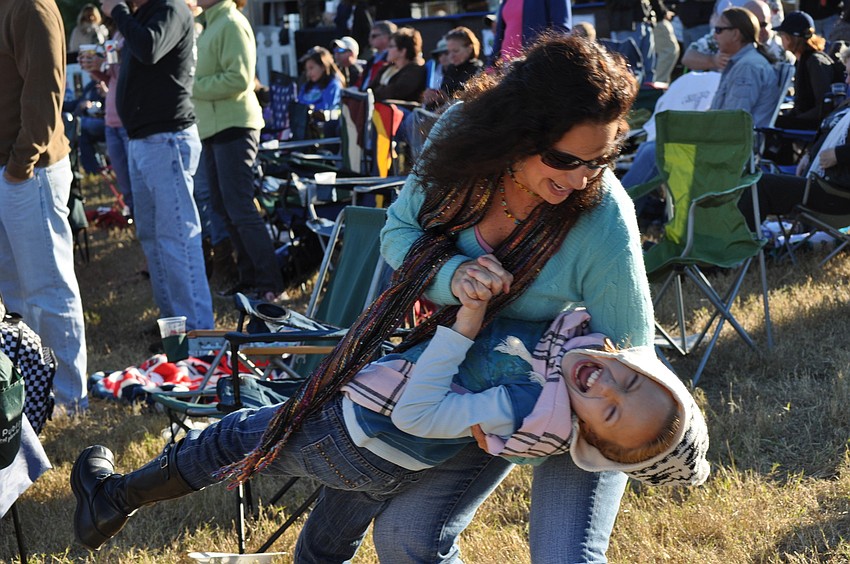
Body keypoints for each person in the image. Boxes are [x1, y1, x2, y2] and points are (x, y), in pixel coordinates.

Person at [70, 292, 709, 553]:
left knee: (232, 436)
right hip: (391, 460)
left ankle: (112, 499)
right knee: (330, 533)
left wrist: (463, 326)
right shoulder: (563, 356)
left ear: (588, 439)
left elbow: (418, 410)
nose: (609, 386)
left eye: (612, 412)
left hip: (362, 433)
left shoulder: (525, 405)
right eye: (631, 378)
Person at [102, 0, 214, 332]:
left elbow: (149, 48)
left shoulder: (170, 8)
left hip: (166, 140)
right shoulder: (147, 13)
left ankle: (198, 335)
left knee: (177, 238)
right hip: (147, 140)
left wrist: (119, 14)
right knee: (154, 237)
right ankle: (175, 329)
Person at [0, 0, 88, 412]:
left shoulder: (30, 6)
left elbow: (47, 90)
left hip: (29, 172)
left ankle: (69, 402)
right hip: (12, 171)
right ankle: (34, 399)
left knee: (48, 290)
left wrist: (20, 163)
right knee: (14, 298)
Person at [622, 7, 782, 188]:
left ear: (736, 34)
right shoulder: (742, 62)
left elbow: (733, 122)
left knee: (653, 151)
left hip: (734, 150)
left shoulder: (748, 68)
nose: (714, 36)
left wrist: (689, 130)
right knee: (651, 146)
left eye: (719, 30)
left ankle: (618, 213)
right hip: (729, 144)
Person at [192, 0, 284, 303]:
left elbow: (239, 79)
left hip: (235, 126)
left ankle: (270, 282)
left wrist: (192, 86)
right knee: (224, 207)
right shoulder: (212, 24)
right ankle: (250, 279)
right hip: (215, 129)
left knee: (240, 207)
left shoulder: (231, 22)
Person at [739, 45, 850, 228]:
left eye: (849, 74)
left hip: (837, 195)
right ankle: (743, 244)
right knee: (751, 180)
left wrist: (839, 154)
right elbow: (826, 132)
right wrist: (809, 155)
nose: (846, 81)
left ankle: (740, 250)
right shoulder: (846, 105)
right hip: (823, 184)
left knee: (759, 185)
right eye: (846, 74)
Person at [79, 32, 134, 215]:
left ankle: (143, 221)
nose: (102, 1)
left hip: (128, 120)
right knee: (124, 181)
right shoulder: (118, 33)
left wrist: (103, 64)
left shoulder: (133, 30)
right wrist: (94, 68)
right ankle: (133, 216)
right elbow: (112, 78)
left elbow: (126, 75)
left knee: (136, 179)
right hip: (111, 121)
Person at [774, 11, 839, 130]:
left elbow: (824, 106)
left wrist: (796, 120)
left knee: (775, 125)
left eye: (782, 34)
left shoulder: (815, 62)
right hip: (805, 120)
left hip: (816, 126)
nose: (781, 38)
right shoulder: (801, 60)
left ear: (792, 38)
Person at [682, 0, 786, 71]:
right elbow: (688, 58)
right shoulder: (725, 35)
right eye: (752, 25)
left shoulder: (779, 47)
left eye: (762, 25)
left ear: (770, 22)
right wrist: (713, 60)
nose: (757, 29)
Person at [491, 0, 572, 64]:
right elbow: (499, 34)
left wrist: (545, 62)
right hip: (506, 67)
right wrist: (491, 65)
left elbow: (561, 31)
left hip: (535, 69)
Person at [423, 27, 484, 110]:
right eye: (449, 52)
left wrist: (445, 99)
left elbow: (466, 101)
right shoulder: (451, 69)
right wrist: (434, 96)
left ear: (469, 49)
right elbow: (444, 92)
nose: (451, 56)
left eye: (456, 51)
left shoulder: (477, 70)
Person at [371, 27, 427, 104]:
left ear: (403, 51)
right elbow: (370, 89)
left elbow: (395, 92)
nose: (387, 50)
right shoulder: (388, 67)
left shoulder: (415, 70)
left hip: (400, 112)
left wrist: (375, 92)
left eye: (391, 46)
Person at [297, 46, 346, 111]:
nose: (308, 73)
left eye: (311, 68)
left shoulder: (333, 85)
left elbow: (328, 108)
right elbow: (299, 104)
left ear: (323, 67)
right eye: (306, 70)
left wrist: (310, 111)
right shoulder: (306, 86)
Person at [357, 20, 397, 91]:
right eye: (369, 36)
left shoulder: (394, 59)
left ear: (388, 36)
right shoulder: (371, 59)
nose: (370, 39)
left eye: (374, 36)